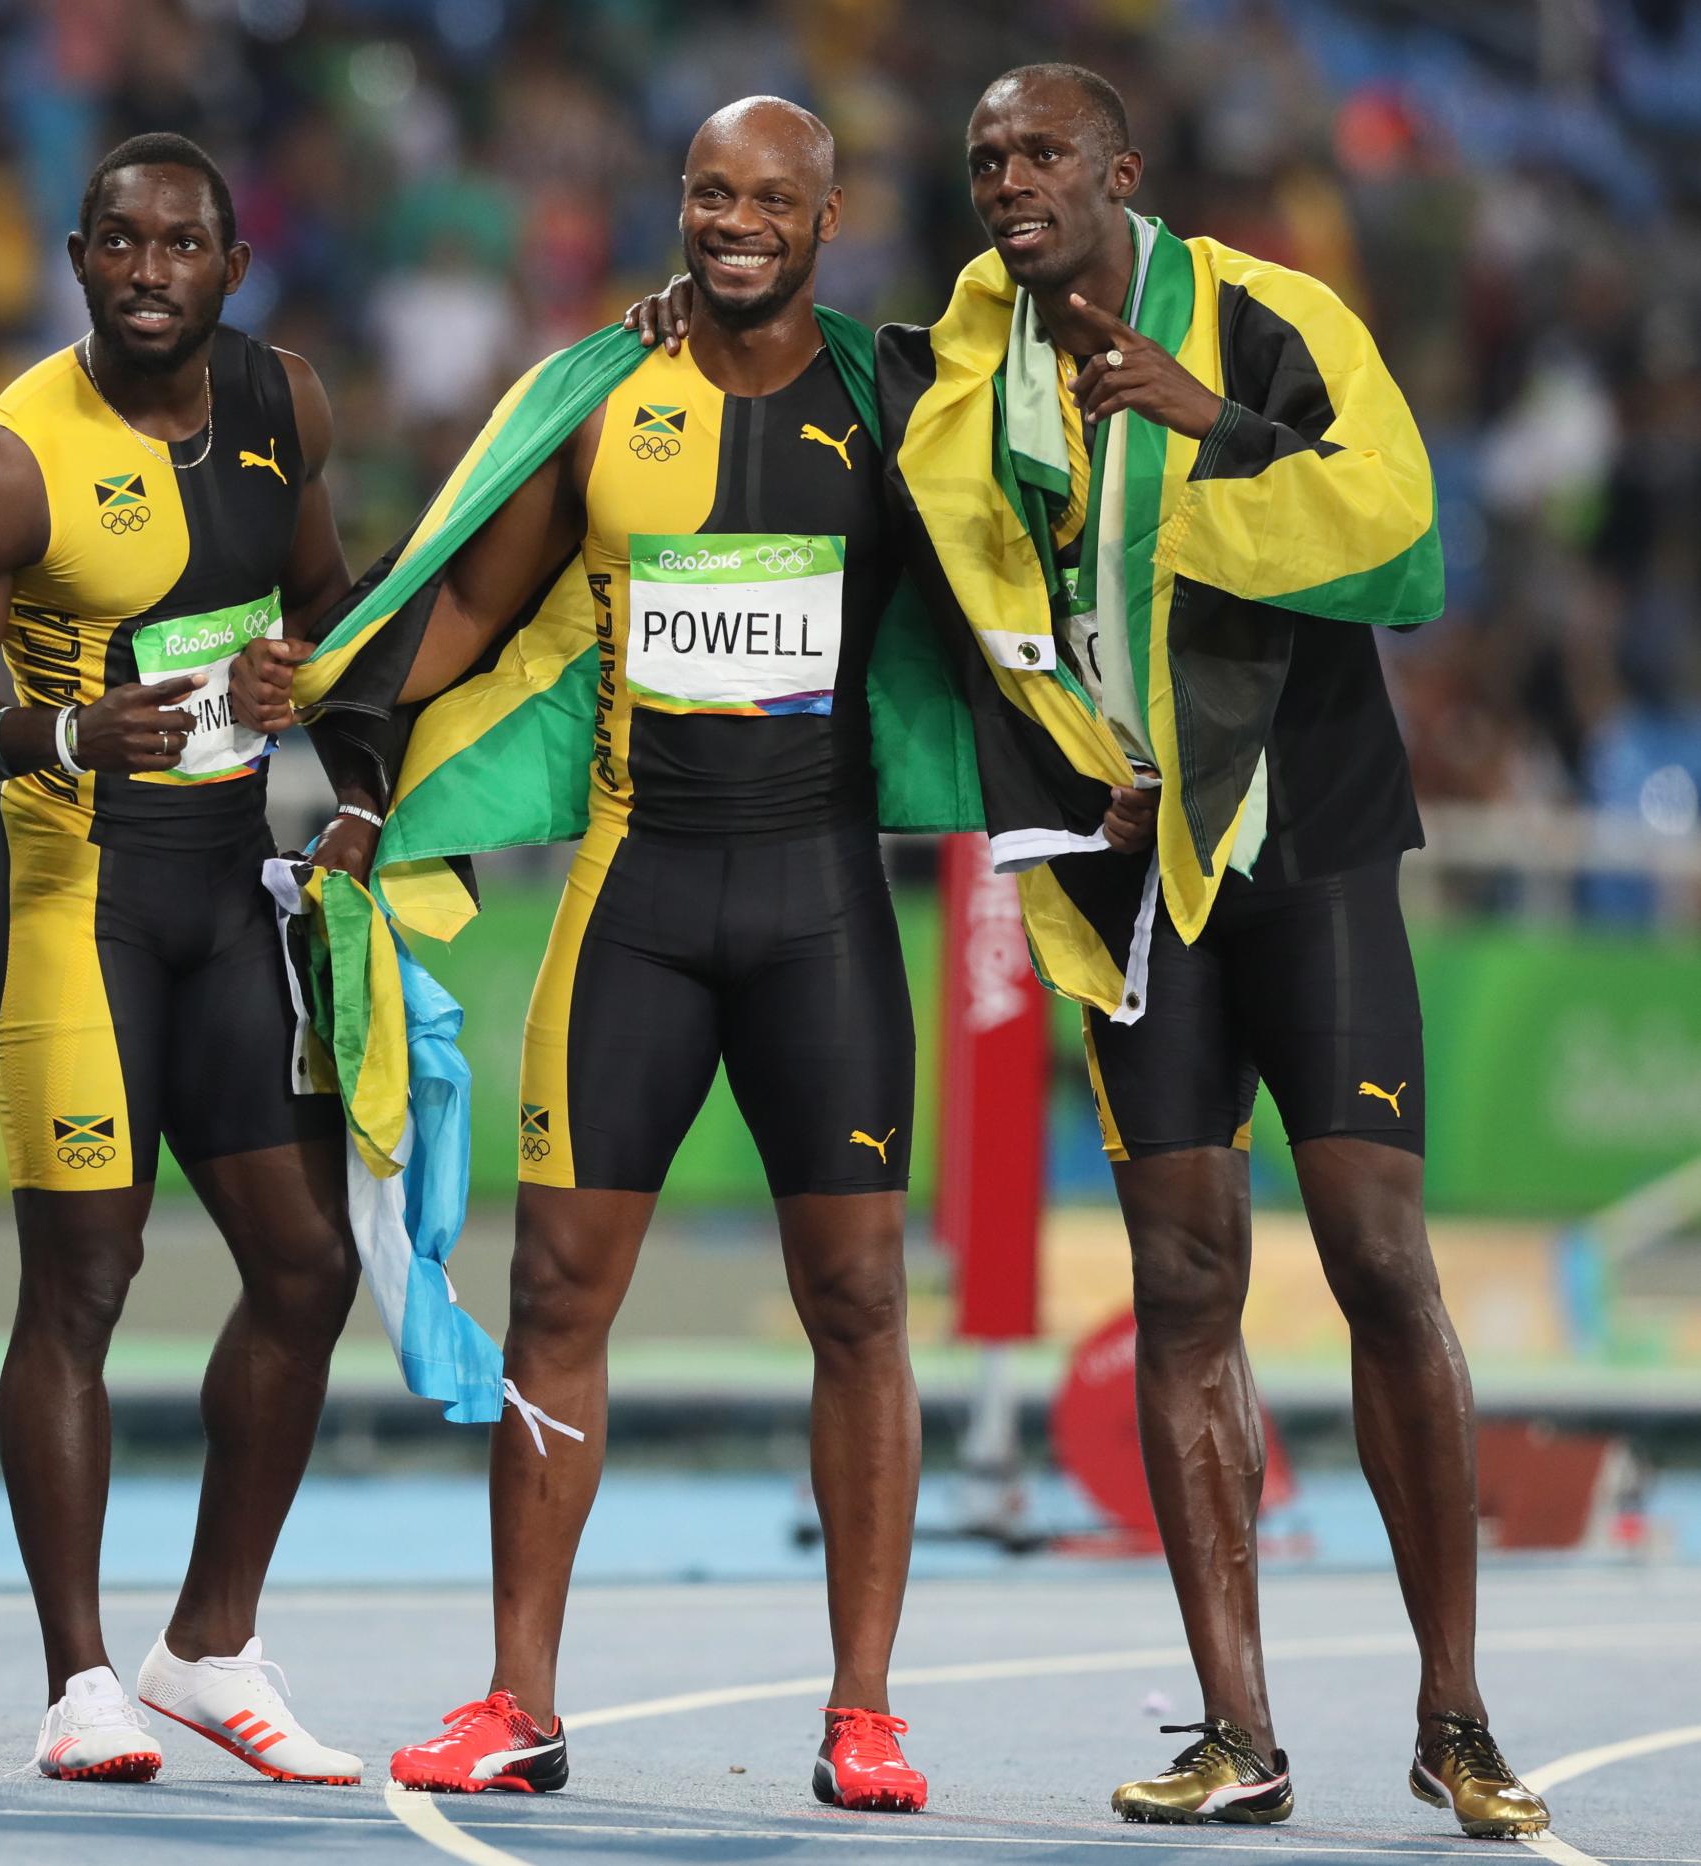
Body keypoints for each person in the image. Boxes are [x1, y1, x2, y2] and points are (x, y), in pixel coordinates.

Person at [632, 63, 1549, 1841]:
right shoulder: (964, 367)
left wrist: (1211, 423)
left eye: (1043, 152)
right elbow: (847, 415)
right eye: (984, 159)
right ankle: (1237, 1731)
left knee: (1375, 1250)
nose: (1008, 181)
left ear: (1122, 171)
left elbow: (1408, 542)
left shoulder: (1274, 320)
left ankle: (1455, 1712)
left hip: (1306, 848)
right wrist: (691, 312)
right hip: (1120, 871)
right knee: (1183, 1276)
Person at [241, 98, 933, 1814]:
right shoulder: (606, 390)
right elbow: (473, 600)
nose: (736, 222)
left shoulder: (899, 396)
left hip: (822, 908)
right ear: (677, 203)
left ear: (830, 213)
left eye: (772, 198)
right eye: (710, 192)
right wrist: (346, 697)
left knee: (856, 1300)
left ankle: (865, 1712)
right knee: (559, 1291)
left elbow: (1006, 554)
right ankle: (519, 1703)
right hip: (635, 900)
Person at [0, 133, 367, 1787]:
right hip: (75, 899)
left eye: (183, 245)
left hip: (227, 889)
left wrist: (329, 719)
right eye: (120, 245)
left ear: (236, 266)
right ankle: (78, 1674)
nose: (151, 270)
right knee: (83, 1284)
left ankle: (209, 1643)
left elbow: (329, 603)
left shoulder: (286, 405)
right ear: (77, 259)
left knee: (309, 1269)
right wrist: (66, 725)